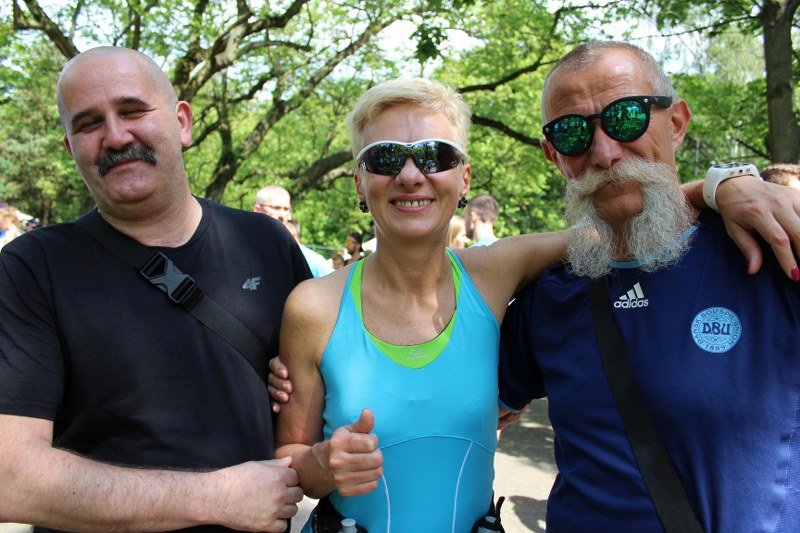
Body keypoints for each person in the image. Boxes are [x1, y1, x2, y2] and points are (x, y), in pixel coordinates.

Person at [268, 76, 798, 533]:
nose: (411, 175)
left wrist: (724, 184)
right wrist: (321, 463)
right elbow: (288, 462)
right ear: (360, 182)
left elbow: (622, 214)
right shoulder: (314, 308)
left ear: (463, 178)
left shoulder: (496, 272)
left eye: (435, 155)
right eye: (384, 158)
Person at [0, 46, 309, 533]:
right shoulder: (30, 268)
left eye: (132, 110)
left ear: (182, 122)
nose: (115, 136)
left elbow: (319, 405)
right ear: (71, 149)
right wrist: (216, 498)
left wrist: (293, 385)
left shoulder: (266, 242)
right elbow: (9, 478)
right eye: (88, 124)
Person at [498, 40, 800, 532]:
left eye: (627, 117)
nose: (604, 152)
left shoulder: (774, 255)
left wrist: (725, 182)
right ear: (554, 155)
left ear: (676, 123)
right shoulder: (547, 299)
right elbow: (457, 411)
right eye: (573, 132)